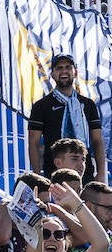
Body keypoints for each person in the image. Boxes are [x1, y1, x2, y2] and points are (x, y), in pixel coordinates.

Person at [29, 53, 105, 183]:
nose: (64, 71)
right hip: (53, 173)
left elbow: (97, 140)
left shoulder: (87, 104)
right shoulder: (41, 106)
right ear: (52, 74)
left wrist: (101, 173)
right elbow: (34, 143)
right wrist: (37, 175)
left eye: (68, 67)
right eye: (59, 68)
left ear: (75, 72)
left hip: (85, 172)